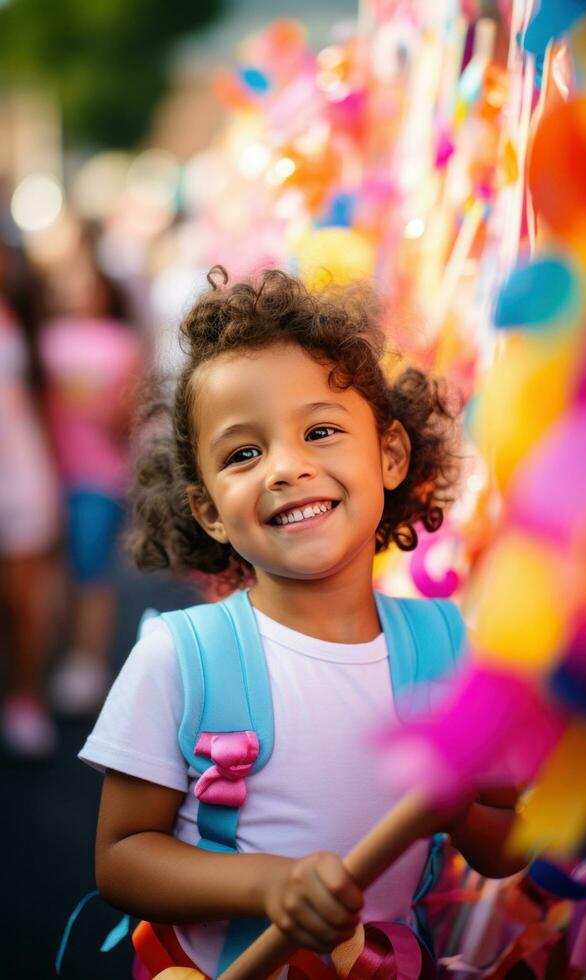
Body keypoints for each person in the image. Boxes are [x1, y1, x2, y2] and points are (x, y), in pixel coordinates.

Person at [80, 268, 523, 978]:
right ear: (209, 511)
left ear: (390, 455)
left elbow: (508, 845)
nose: (286, 468)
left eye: (319, 431)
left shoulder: (449, 649)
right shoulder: (181, 657)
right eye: (244, 454)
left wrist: (461, 809)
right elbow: (122, 857)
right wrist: (269, 882)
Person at [41, 250, 144, 715]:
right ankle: (57, 655)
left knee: (91, 569)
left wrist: (104, 409)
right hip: (47, 471)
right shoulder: (43, 335)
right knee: (49, 571)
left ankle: (88, 661)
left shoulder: (121, 342)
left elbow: (130, 416)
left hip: (100, 476)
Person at [0, 241, 61, 757]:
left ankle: (26, 699)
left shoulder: (25, 315)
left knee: (24, 599)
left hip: (21, 474)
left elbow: (46, 403)